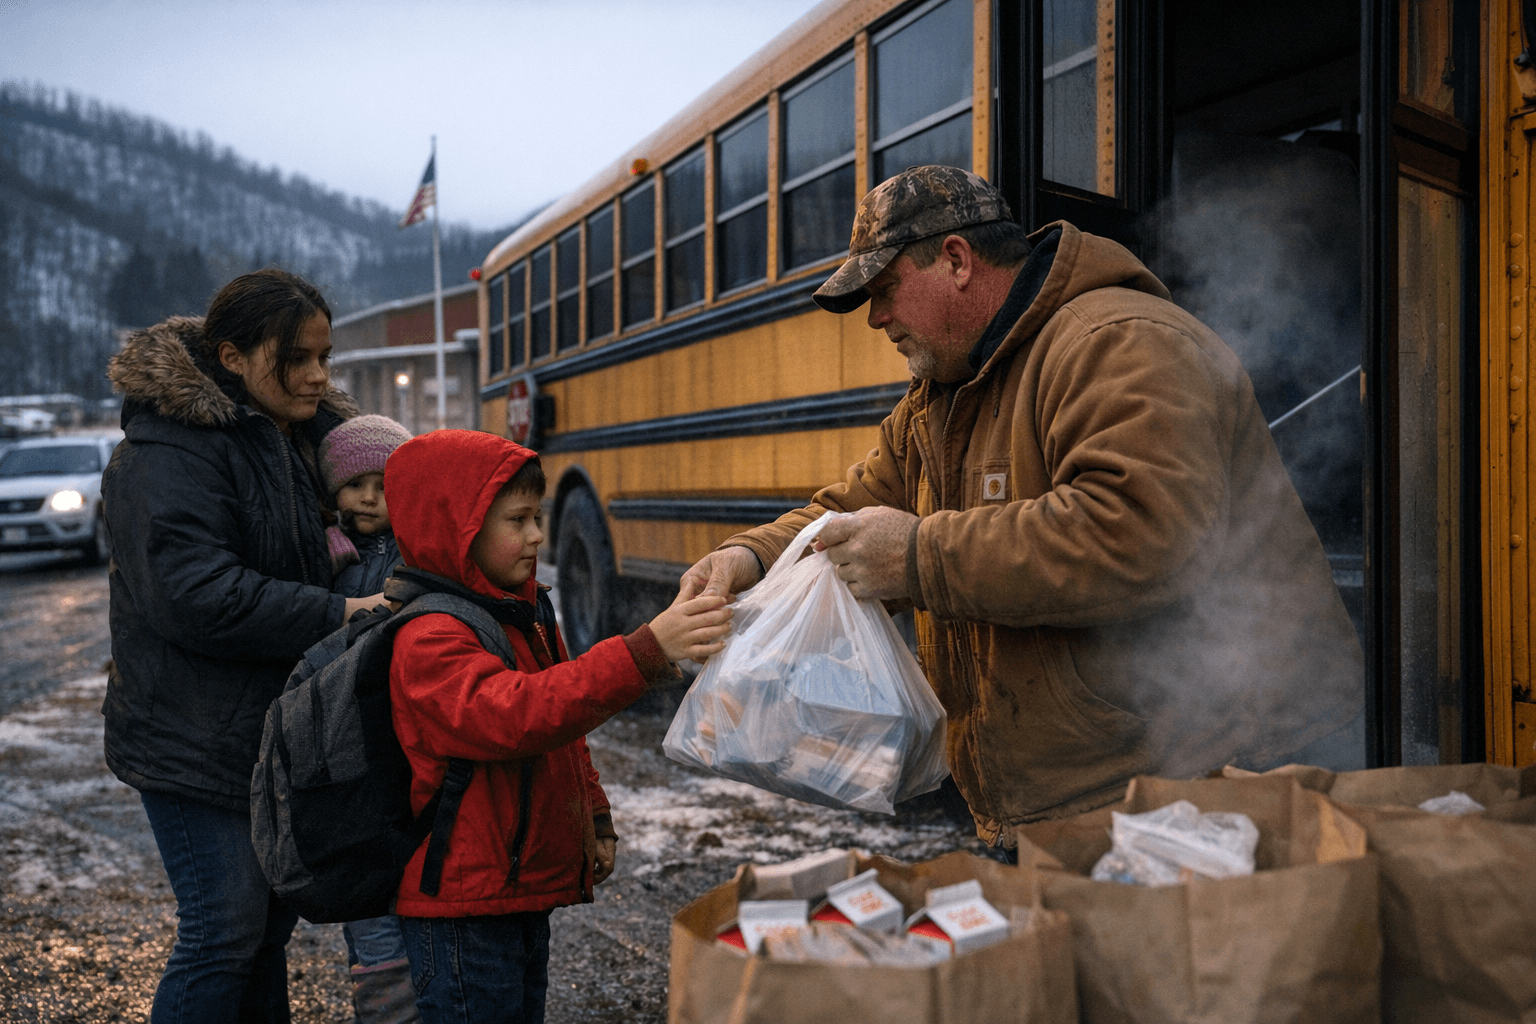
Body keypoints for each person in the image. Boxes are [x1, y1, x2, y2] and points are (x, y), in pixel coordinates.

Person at [681, 165, 1363, 847]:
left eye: (885, 290)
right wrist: (750, 557)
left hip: (1204, 781)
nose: (876, 318)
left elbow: (1138, 532)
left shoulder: (1118, 341)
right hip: (1084, 799)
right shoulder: (944, 394)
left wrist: (918, 557)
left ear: (955, 260)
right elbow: (855, 508)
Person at [102, 269, 382, 1023]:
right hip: (189, 737)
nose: (318, 375)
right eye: (297, 358)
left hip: (268, 733)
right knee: (223, 932)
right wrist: (340, 611)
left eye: (325, 355)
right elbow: (194, 595)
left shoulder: (312, 441)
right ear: (232, 358)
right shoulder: (169, 452)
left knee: (261, 935)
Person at [382, 429, 732, 1024]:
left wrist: (594, 818)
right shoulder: (427, 636)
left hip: (510, 892)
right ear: (457, 528)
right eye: (516, 520)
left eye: (537, 516)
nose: (538, 536)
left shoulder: (524, 611)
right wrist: (641, 652)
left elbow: (566, 732)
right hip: (460, 910)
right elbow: (517, 714)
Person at [314, 412, 420, 1024]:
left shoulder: (416, 548)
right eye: (356, 485)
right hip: (350, 737)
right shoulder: (330, 555)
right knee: (369, 891)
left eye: (384, 484)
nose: (370, 497)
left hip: (402, 734)